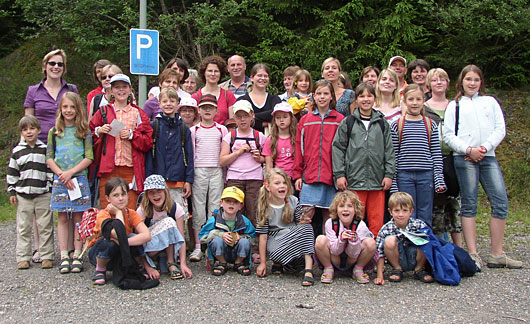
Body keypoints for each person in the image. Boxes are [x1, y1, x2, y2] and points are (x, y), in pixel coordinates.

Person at [443, 64, 522, 270]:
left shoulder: (490, 102)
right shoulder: (455, 105)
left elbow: (499, 129)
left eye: (476, 80)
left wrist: (484, 148)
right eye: (468, 79)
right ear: (461, 82)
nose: (472, 83)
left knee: (500, 201)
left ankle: (497, 253)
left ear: (481, 82)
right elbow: (448, 134)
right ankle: (473, 252)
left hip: (488, 157)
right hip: (465, 158)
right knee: (469, 203)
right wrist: (468, 149)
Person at [332, 83, 395, 236]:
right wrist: (340, 174)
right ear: (356, 99)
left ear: (375, 98)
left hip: (377, 181)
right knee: (354, 220)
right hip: (354, 180)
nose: (365, 99)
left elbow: (389, 150)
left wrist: (388, 174)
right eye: (362, 96)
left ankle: (376, 255)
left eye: (369, 96)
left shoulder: (382, 123)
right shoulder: (348, 122)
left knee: (376, 221)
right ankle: (354, 254)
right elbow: (338, 148)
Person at [89, 74, 153, 209]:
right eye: (117, 87)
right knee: (108, 207)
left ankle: (129, 231)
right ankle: (109, 231)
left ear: (130, 90)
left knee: (130, 208)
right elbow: (89, 134)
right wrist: (99, 131)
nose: (121, 90)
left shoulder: (138, 113)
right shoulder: (103, 111)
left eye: (124, 87)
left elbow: (148, 142)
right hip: (108, 168)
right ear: (111, 90)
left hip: (131, 168)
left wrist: (132, 135)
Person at [46, 92, 93, 273]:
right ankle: (64, 253)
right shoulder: (55, 131)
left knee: (78, 217)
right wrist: (61, 174)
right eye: (65, 107)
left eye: (72, 107)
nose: (68, 110)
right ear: (60, 109)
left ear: (78, 109)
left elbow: (89, 156)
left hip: (78, 178)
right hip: (60, 180)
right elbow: (49, 157)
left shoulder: (84, 131)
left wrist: (72, 172)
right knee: (63, 217)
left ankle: (78, 253)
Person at [390, 84, 446, 228]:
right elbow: (394, 156)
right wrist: (394, 183)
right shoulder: (397, 125)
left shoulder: (430, 124)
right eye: (411, 99)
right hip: (404, 175)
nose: (415, 103)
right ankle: (408, 246)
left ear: (423, 101)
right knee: (406, 212)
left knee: (425, 212)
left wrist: (438, 179)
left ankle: (423, 247)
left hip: (426, 175)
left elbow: (436, 153)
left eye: (418, 99)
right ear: (404, 101)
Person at [293, 79, 345, 230]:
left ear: (331, 97)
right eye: (318, 93)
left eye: (326, 93)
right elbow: (299, 149)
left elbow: (344, 150)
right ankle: (305, 252)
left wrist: (342, 175)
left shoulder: (339, 120)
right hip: (309, 176)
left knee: (329, 219)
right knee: (305, 216)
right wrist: (297, 175)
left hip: (331, 177)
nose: (322, 97)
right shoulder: (305, 120)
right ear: (313, 97)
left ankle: (325, 252)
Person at [7, 116, 54, 270]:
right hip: (23, 195)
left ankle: (46, 255)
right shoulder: (17, 151)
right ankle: (23, 256)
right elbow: (13, 173)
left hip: (42, 194)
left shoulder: (45, 150)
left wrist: (50, 188)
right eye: (25, 129)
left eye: (32, 129)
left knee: (45, 226)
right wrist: (12, 191)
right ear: (21, 132)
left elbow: (49, 171)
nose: (29, 132)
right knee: (23, 227)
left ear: (38, 130)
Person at [423, 68, 463, 246]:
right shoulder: (422, 106)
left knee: (454, 203)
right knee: (437, 203)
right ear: (428, 84)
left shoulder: (456, 106)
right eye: (434, 80)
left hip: (454, 156)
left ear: (448, 83)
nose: (438, 83)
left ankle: (460, 249)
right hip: (431, 157)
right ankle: (440, 245)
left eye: (442, 79)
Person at [255, 168, 315, 285]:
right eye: (277, 183)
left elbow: (299, 223)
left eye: (284, 183)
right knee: (279, 253)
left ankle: (308, 270)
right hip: (276, 240)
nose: (282, 186)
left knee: (307, 227)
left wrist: (303, 220)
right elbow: (263, 236)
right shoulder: (264, 206)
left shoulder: (293, 200)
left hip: (291, 235)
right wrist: (263, 263)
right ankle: (278, 262)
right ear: (268, 187)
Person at [88, 177, 152, 285]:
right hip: (100, 254)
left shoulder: (131, 213)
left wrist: (125, 243)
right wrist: (118, 213)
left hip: (121, 253)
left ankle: (136, 266)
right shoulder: (103, 215)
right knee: (109, 242)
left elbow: (146, 235)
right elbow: (118, 233)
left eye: (123, 194)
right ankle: (100, 269)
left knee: (133, 236)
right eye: (116, 195)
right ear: (108, 198)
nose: (121, 198)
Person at [145, 87, 194, 226]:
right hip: (158, 180)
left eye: (172, 101)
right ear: (159, 104)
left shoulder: (183, 129)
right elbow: (149, 155)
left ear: (177, 103)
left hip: (178, 180)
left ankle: (180, 247)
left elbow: (189, 156)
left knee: (179, 217)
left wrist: (188, 180)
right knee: (157, 217)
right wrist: (149, 178)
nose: (168, 104)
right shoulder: (154, 126)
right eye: (164, 101)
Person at [189, 95, 229, 262]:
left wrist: (225, 174)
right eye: (204, 107)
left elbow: (224, 153)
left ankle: (212, 244)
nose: (207, 110)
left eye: (210, 107)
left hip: (217, 171)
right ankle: (198, 246)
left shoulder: (222, 130)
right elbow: (191, 154)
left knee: (214, 208)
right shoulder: (194, 130)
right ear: (199, 110)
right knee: (198, 209)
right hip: (199, 170)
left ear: (216, 111)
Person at [220, 100, 266, 227]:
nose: (242, 119)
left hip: (254, 179)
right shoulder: (230, 137)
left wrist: (259, 158)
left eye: (245, 115)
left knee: (254, 212)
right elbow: (222, 160)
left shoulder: (259, 136)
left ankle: (253, 243)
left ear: (252, 115)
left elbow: (267, 158)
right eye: (239, 116)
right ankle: (235, 240)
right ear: (234, 117)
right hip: (234, 179)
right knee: (234, 213)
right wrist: (238, 152)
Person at [314, 191, 377, 284]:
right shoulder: (330, 223)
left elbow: (354, 254)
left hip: (352, 259)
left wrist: (354, 241)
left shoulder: (361, 225)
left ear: (356, 209)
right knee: (320, 239)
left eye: (350, 206)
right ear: (336, 209)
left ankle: (358, 269)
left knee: (371, 242)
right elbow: (334, 251)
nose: (345, 209)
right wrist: (341, 240)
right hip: (335, 258)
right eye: (341, 206)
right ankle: (328, 269)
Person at [137, 175, 190, 280]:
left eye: (158, 191)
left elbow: (181, 237)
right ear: (147, 195)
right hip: (149, 247)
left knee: (170, 223)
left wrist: (183, 264)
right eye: (151, 192)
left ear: (165, 191)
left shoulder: (176, 209)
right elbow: (138, 240)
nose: (155, 195)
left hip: (168, 247)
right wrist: (147, 266)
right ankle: (150, 262)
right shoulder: (142, 210)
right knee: (168, 222)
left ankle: (170, 261)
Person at [374, 192, 434, 284]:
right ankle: (397, 269)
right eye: (397, 211)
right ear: (390, 211)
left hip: (415, 256)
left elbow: (430, 245)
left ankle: (419, 269)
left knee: (425, 238)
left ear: (411, 211)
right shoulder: (386, 228)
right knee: (389, 240)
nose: (401, 214)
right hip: (397, 257)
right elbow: (380, 253)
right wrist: (379, 276)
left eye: (405, 210)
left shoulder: (419, 224)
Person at [24, 49, 79, 144]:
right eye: (52, 63)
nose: (56, 67)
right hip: (41, 144)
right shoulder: (33, 91)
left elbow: (79, 117)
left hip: (67, 144)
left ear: (64, 68)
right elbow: (28, 122)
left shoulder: (71, 89)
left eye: (60, 64)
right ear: (45, 66)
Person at [199, 186, 256, 276]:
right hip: (220, 251)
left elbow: (253, 237)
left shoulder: (244, 221)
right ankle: (222, 263)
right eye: (228, 201)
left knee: (245, 242)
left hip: (237, 251)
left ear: (240, 206)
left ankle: (238, 263)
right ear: (221, 203)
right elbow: (202, 237)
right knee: (217, 241)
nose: (231, 204)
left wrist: (241, 237)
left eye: (235, 202)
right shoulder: (214, 219)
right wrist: (220, 234)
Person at [237, 63, 281, 134]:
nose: (263, 78)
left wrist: (252, 116)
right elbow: (241, 120)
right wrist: (263, 124)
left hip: (271, 140)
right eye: (259, 75)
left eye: (265, 76)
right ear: (251, 78)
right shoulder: (242, 100)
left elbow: (277, 114)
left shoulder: (275, 99)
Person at [193, 55, 237, 125]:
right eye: (210, 71)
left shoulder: (228, 95)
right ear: (204, 73)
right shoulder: (196, 97)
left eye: (216, 71)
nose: (213, 74)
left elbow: (232, 122)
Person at [263, 102, 297, 179]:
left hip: (293, 177)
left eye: (285, 117)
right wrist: (269, 179)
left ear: (291, 118)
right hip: (278, 177)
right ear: (274, 120)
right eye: (278, 117)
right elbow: (269, 164)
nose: (281, 120)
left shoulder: (296, 138)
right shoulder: (271, 139)